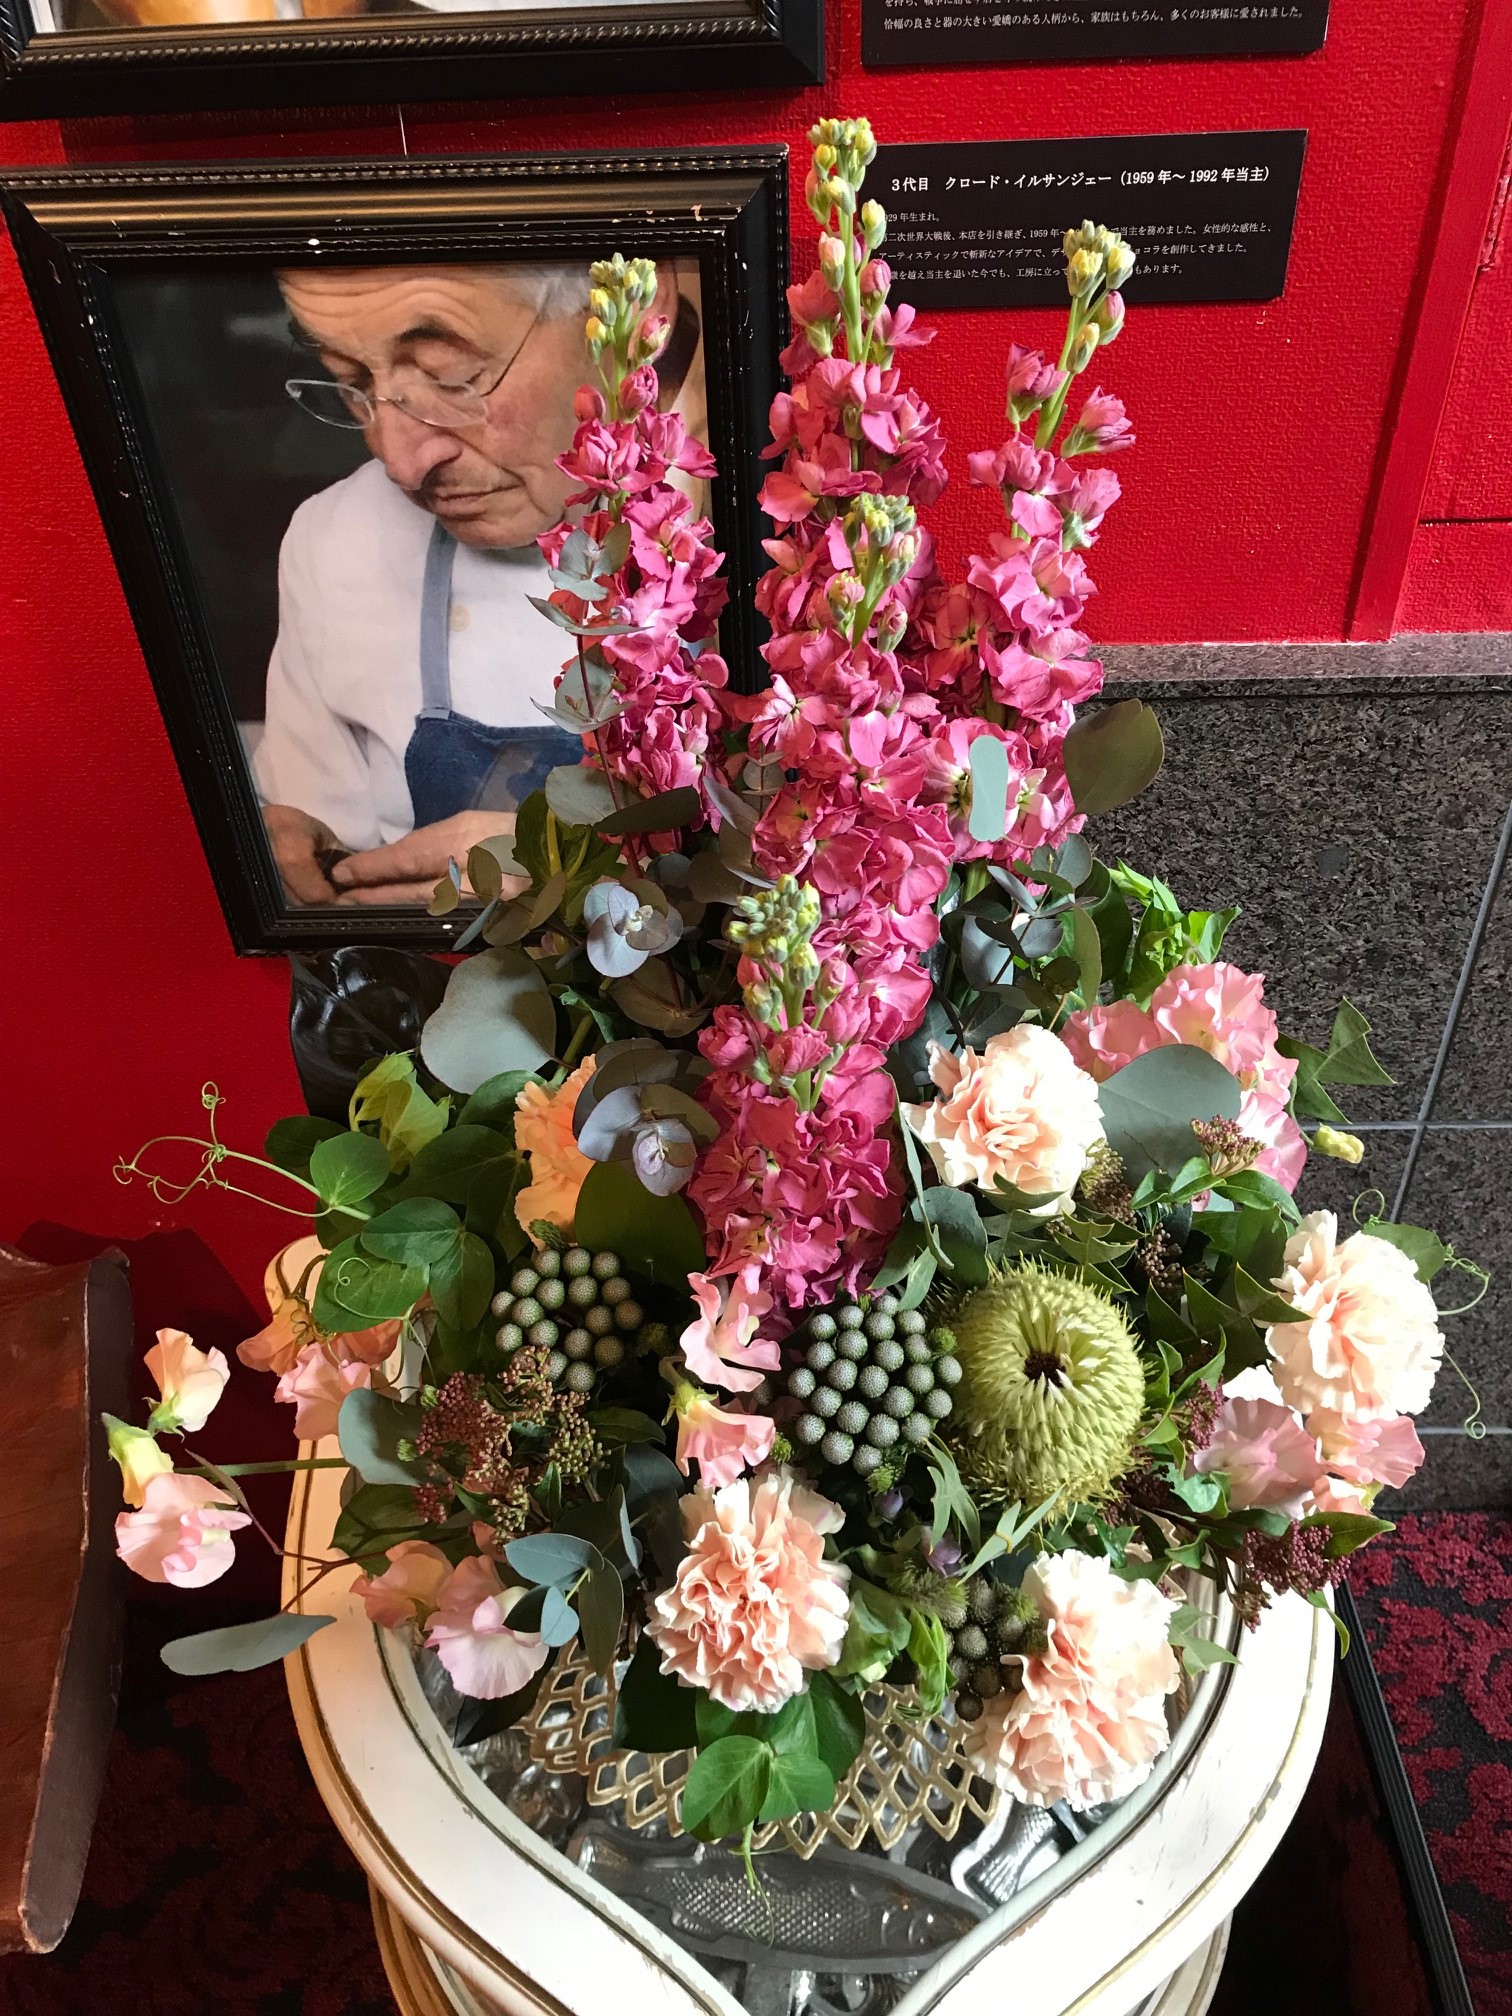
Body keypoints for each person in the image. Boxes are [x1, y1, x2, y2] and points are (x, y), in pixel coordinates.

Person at [250, 259, 704, 905]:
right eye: (352, 382)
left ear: (635, 314)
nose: (401, 463)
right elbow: (322, 837)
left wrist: (581, 880)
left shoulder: (804, 544)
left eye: (451, 377)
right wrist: (297, 860)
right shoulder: (336, 537)